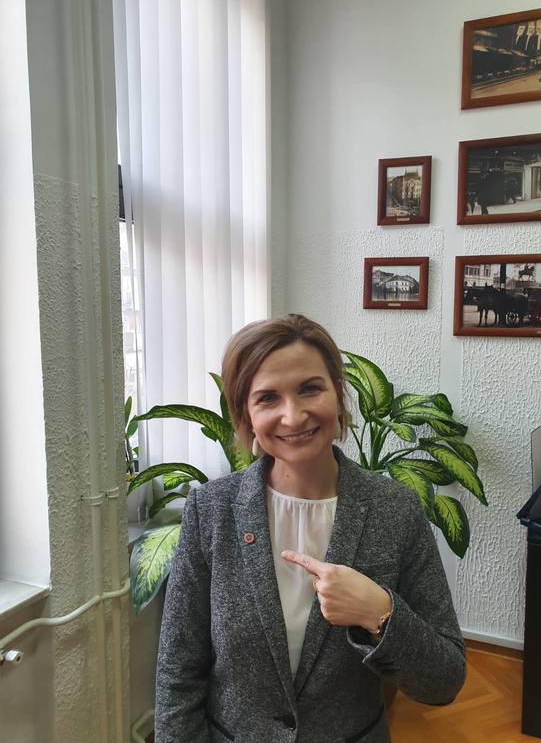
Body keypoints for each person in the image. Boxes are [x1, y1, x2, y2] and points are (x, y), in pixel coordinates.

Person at [154, 314, 465, 742]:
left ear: (337, 394)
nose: (293, 415)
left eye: (310, 389)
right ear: (245, 413)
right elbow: (178, 672)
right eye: (267, 398)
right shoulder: (211, 511)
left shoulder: (395, 510)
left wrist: (379, 612)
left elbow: (444, 681)